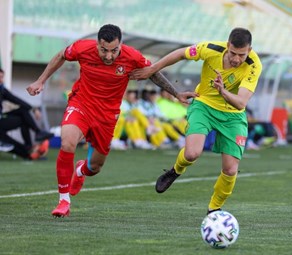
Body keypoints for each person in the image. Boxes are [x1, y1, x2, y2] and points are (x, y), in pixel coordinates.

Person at [26, 24, 197, 217]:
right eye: (103, 50)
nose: (108, 56)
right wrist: (41, 80)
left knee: (95, 167)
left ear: (120, 45)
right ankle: (63, 201)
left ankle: (81, 170)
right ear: (97, 44)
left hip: (107, 116)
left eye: (114, 51)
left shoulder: (132, 56)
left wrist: (176, 93)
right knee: (67, 143)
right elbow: (61, 56)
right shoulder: (83, 48)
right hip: (81, 105)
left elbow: (153, 72)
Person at [130, 27, 262, 214]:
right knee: (192, 153)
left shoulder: (254, 65)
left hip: (233, 115)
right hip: (204, 106)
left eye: (241, 55)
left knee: (231, 170)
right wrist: (153, 68)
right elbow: (180, 54)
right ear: (227, 45)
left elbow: (241, 103)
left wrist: (223, 91)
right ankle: (175, 171)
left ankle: (214, 210)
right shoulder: (211, 48)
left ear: (249, 50)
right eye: (233, 53)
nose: (236, 59)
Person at [0, 68, 53, 160]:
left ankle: (36, 135)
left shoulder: (2, 90)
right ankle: (28, 152)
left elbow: (16, 99)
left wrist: (33, 109)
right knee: (8, 142)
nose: (1, 80)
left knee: (23, 112)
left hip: (2, 120)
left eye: (2, 77)